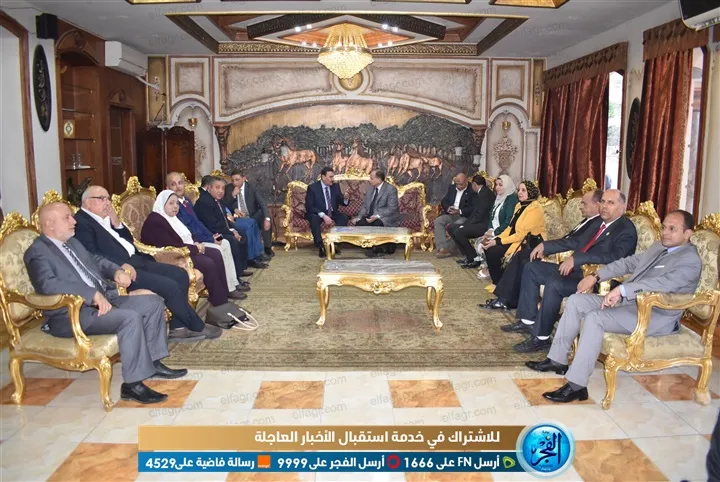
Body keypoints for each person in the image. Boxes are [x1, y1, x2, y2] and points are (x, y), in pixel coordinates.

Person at [527, 210, 701, 403]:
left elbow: (662, 284)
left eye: (672, 229)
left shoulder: (690, 261)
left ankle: (577, 386)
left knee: (595, 318)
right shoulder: (659, 246)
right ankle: (557, 360)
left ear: (688, 234)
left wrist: (622, 290)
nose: (665, 232)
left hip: (654, 315)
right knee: (577, 301)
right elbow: (628, 263)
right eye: (664, 227)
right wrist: (595, 276)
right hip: (630, 304)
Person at [25, 202, 188, 404]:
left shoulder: (72, 242)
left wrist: (116, 270)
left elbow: (96, 260)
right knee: (130, 318)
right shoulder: (37, 252)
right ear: (50, 224)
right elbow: (47, 285)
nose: (74, 221)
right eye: (67, 217)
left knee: (153, 302)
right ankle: (132, 386)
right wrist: (91, 293)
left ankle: (153, 363)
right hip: (73, 314)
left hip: (105, 299)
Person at [505, 189, 637, 354]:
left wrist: (578, 258)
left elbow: (615, 258)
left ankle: (541, 338)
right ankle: (527, 321)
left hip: (597, 280)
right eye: (603, 201)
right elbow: (574, 241)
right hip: (575, 271)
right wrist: (545, 246)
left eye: (611, 203)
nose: (604, 206)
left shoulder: (626, 229)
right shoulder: (598, 223)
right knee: (532, 268)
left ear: (622, 207)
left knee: (555, 284)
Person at [74, 186, 207, 342]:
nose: (108, 203)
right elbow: (92, 256)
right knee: (169, 286)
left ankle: (178, 328)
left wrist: (117, 224)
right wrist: (120, 267)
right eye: (102, 199)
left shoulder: (104, 218)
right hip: (124, 271)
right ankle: (197, 326)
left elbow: (128, 241)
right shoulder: (82, 223)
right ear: (87, 202)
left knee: (180, 274)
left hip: (138, 260)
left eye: (108, 198)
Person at [484, 189, 603, 310]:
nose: (580, 207)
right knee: (521, 255)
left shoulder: (597, 223)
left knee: (526, 261)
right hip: (556, 250)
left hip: (566, 259)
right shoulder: (588, 220)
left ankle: (509, 300)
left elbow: (575, 243)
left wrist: (547, 248)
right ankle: (505, 299)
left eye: (584, 204)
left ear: (597, 205)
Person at [141, 190, 246, 314]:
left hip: (185, 249)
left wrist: (197, 243)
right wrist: (196, 248)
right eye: (171, 203)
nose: (175, 206)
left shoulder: (171, 218)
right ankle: (220, 303)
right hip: (173, 257)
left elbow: (187, 235)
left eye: (177, 203)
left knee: (216, 254)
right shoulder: (156, 221)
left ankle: (221, 296)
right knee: (208, 263)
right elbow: (171, 246)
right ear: (161, 204)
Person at [166, 172, 250, 291]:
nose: (178, 187)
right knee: (227, 241)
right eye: (173, 184)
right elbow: (190, 230)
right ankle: (229, 286)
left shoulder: (187, 201)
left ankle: (234, 281)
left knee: (227, 241)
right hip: (196, 241)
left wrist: (214, 236)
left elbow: (199, 223)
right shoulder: (173, 207)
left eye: (180, 183)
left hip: (208, 235)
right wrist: (212, 238)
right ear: (167, 188)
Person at [480, 180, 545, 284]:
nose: (520, 193)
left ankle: (500, 283)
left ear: (531, 192)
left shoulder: (535, 208)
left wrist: (498, 242)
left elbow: (522, 235)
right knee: (489, 248)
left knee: (493, 251)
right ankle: (499, 282)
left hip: (527, 242)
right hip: (514, 239)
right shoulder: (519, 206)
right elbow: (510, 228)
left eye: (523, 190)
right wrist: (496, 239)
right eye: (518, 190)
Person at [194, 176, 261, 275]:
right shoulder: (205, 202)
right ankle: (235, 274)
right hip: (213, 235)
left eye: (223, 188)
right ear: (209, 188)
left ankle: (240, 269)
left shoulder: (217, 200)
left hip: (221, 231)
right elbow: (213, 226)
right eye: (217, 188)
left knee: (242, 234)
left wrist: (233, 230)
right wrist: (231, 233)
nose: (220, 191)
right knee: (232, 239)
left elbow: (224, 220)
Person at [350, 170, 403, 256]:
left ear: (379, 179)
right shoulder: (370, 189)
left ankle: (379, 248)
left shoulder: (391, 189)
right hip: (370, 216)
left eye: (371, 178)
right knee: (359, 223)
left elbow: (392, 208)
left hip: (386, 217)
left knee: (376, 223)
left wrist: (377, 216)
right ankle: (370, 247)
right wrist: (359, 217)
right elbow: (365, 206)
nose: (369, 180)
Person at [223, 169, 273, 260]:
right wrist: (233, 196)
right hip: (237, 218)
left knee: (265, 216)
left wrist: (267, 219)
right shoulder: (229, 188)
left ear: (244, 178)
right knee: (250, 225)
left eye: (237, 180)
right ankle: (256, 254)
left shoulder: (252, 187)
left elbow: (262, 203)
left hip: (252, 215)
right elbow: (224, 205)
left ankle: (267, 247)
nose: (234, 183)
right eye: (232, 180)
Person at [476, 175, 519, 279]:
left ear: (507, 185)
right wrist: (489, 230)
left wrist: (494, 233)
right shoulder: (499, 197)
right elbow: (492, 217)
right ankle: (488, 266)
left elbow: (508, 222)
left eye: (500, 185)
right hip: (494, 231)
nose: (497, 187)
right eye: (496, 185)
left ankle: (489, 269)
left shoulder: (511, 199)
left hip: (504, 233)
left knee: (485, 244)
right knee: (479, 242)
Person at [447, 175, 496, 267]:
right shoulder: (482, 192)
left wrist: (466, 225)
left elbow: (480, 215)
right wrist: (466, 224)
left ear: (474, 184)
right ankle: (467, 255)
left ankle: (474, 258)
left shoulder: (485, 194)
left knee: (459, 232)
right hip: (478, 222)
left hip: (484, 225)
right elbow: (475, 213)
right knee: (451, 227)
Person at [304, 167, 350, 258]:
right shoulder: (313, 188)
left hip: (332, 212)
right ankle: (320, 246)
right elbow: (309, 206)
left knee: (344, 217)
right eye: (330, 177)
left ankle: (335, 244)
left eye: (333, 177)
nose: (332, 179)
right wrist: (323, 215)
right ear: (323, 177)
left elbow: (341, 201)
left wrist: (345, 198)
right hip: (317, 213)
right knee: (314, 219)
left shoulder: (335, 186)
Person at [435, 173, 475, 259]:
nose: (458, 186)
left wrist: (459, 211)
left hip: (464, 216)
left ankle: (449, 248)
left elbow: (474, 207)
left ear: (466, 181)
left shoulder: (472, 190)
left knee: (455, 226)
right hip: (451, 214)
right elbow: (444, 201)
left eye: (461, 184)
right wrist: (448, 208)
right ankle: (442, 248)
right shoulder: (452, 188)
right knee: (438, 221)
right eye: (457, 184)